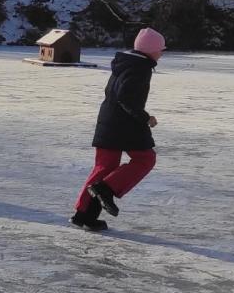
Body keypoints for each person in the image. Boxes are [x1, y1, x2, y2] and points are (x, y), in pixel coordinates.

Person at [70, 28, 165, 231]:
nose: (161, 53)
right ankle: (105, 189)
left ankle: (84, 215)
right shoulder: (139, 67)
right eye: (160, 49)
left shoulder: (127, 63)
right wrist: (145, 117)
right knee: (146, 159)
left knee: (105, 167)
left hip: (109, 120)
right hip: (124, 125)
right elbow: (126, 96)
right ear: (150, 50)